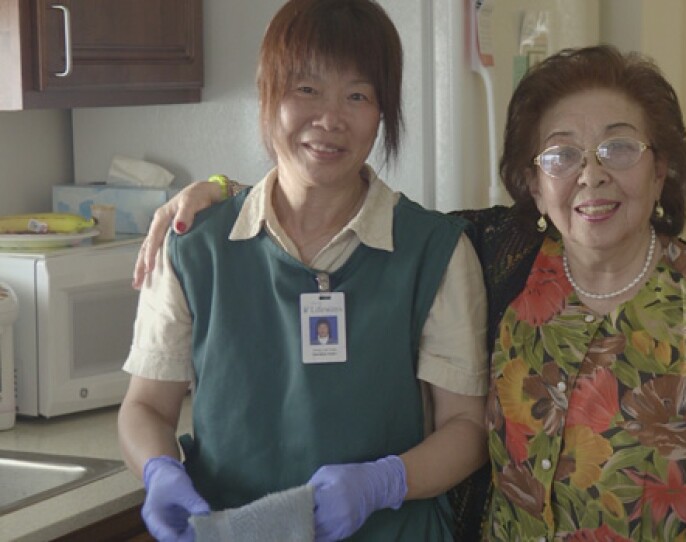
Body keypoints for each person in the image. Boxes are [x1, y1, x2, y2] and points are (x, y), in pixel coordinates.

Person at [134, 45, 686, 541]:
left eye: (619, 148)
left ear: (662, 171)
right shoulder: (492, 256)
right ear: (533, 182)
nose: (590, 176)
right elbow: (344, 212)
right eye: (561, 154)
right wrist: (221, 196)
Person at [117, 1, 488, 541]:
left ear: (382, 111)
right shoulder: (192, 245)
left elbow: (467, 429)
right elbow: (146, 406)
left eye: (357, 95)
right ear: (268, 97)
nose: (331, 119)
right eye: (306, 90)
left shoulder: (435, 251)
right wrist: (158, 469)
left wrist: (384, 482)